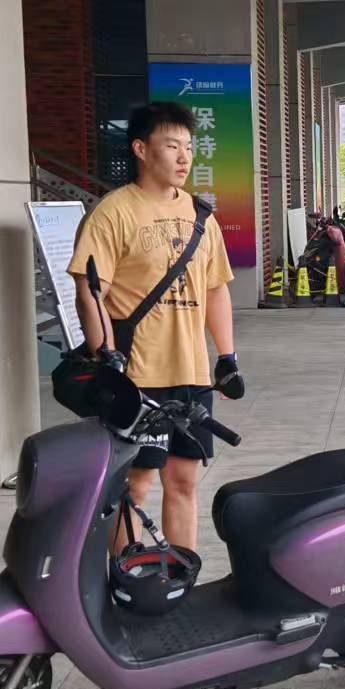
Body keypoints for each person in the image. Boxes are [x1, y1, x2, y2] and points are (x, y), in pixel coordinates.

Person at [68, 102, 246, 552]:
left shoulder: (201, 216)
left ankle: (182, 575)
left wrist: (227, 358)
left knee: (184, 480)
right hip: (139, 375)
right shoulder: (114, 212)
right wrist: (106, 356)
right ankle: (130, 577)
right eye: (172, 146)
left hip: (192, 374)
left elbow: (216, 290)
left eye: (189, 147)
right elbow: (91, 290)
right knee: (137, 484)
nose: (184, 157)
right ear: (141, 150)